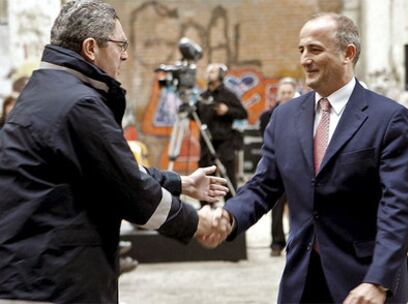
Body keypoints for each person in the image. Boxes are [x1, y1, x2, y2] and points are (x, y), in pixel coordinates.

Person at [0, 1, 230, 303]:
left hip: (32, 274)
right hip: (53, 282)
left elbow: (102, 172)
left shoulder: (47, 91)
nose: (124, 54)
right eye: (120, 44)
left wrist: (180, 183)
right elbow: (131, 190)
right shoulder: (78, 104)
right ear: (91, 47)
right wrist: (197, 222)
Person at [202, 13, 408, 303]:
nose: (304, 59)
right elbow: (264, 185)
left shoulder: (389, 119)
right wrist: (229, 215)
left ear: (347, 54)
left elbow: (399, 207)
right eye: (301, 50)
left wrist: (378, 280)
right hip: (302, 281)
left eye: (315, 49)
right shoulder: (284, 117)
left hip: (365, 282)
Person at [197, 63, 248, 202]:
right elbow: (195, 115)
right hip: (206, 141)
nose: (209, 74)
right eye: (208, 71)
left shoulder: (228, 95)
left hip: (225, 141)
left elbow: (243, 113)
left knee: (227, 176)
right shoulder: (202, 96)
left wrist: (227, 111)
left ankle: (231, 208)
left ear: (220, 75)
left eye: (212, 71)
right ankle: (206, 207)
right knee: (206, 175)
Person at [259, 77, 297, 257]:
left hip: (298, 168)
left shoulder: (304, 114)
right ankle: (276, 243)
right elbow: (265, 143)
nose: (286, 96)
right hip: (278, 168)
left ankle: (297, 242)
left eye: (290, 92)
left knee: (298, 208)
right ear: (278, 95)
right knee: (276, 208)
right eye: (283, 93)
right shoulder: (267, 116)